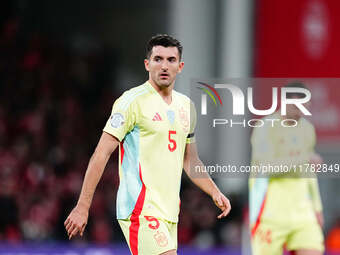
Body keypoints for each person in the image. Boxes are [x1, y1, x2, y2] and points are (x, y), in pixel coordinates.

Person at [64, 34, 231, 255]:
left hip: (170, 212)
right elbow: (101, 153)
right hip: (139, 209)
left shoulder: (186, 107)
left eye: (171, 60)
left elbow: (190, 159)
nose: (164, 65)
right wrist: (83, 206)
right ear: (147, 64)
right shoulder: (131, 102)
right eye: (158, 59)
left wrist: (214, 191)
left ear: (180, 67)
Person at [249, 82, 324, 255]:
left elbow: (308, 173)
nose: (301, 110)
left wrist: (317, 207)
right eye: (296, 105)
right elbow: (267, 168)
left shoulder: (307, 129)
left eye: (305, 106)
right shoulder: (265, 127)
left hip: (303, 215)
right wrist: (303, 159)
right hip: (268, 214)